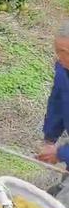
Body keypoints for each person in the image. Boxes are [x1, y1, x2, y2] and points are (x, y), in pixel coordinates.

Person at [37, 22, 69, 195]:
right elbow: (58, 101)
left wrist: (62, 153)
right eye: (58, 51)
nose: (60, 57)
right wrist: (50, 138)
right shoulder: (64, 69)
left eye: (64, 53)